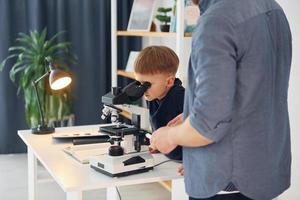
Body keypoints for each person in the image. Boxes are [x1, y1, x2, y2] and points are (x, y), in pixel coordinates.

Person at [149, 0, 292, 200]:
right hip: (264, 172)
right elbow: (254, 92)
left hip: (226, 180)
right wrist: (192, 114)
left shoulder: (216, 21)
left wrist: (169, 136)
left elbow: (208, 125)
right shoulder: (272, 7)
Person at [134, 45, 185, 160]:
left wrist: (194, 160)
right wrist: (158, 144)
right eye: (139, 83)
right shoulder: (152, 95)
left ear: (169, 81)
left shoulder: (181, 96)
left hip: (185, 160)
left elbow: (199, 131)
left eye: (147, 84)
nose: (143, 89)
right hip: (167, 157)